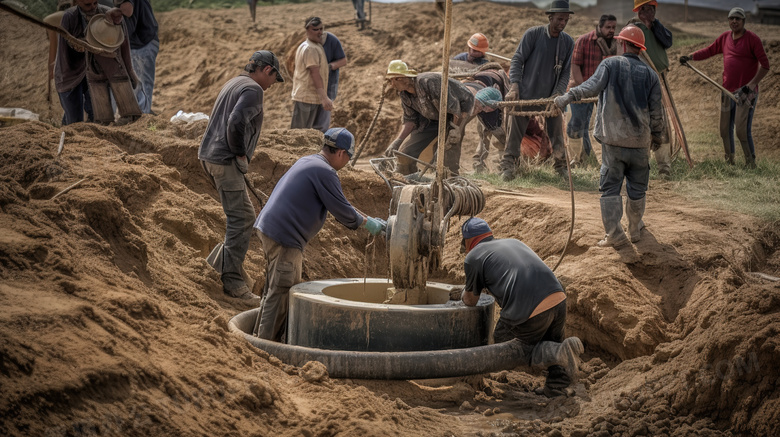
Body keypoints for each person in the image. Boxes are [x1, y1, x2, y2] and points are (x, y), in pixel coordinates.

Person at [253, 128, 385, 341]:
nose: (347, 164)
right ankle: (264, 345)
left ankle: (259, 337)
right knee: (281, 292)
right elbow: (342, 210)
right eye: (349, 158)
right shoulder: (325, 172)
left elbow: (342, 203)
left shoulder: (311, 162)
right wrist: (370, 225)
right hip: (285, 236)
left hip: (272, 229)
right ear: (341, 153)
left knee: (273, 289)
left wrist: (368, 219)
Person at [554, 26, 665, 247]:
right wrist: (657, 136)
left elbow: (591, 87)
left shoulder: (610, 64)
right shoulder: (651, 75)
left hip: (613, 141)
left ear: (622, 44)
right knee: (638, 186)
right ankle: (635, 228)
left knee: (611, 186)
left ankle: (615, 234)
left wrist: (568, 96)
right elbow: (656, 112)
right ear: (640, 49)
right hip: (641, 142)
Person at [460, 217, 584, 397]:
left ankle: (557, 352)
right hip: (558, 299)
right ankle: (557, 385)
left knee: (506, 345)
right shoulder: (512, 241)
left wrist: (462, 293)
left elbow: (471, 300)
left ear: (468, 240)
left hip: (530, 305)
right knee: (548, 341)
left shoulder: (473, 256)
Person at [198, 50, 284, 300]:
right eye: (273, 79)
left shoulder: (234, 82)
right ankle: (233, 282)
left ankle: (214, 267)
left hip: (209, 156)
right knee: (243, 218)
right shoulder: (253, 89)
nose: (271, 86)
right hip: (224, 159)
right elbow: (236, 121)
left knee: (240, 215)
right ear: (267, 70)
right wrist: (239, 154)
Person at [680, 7, 770, 168]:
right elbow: (709, 50)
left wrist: (751, 85)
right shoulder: (724, 38)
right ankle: (730, 162)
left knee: (741, 130)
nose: (734, 21)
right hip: (726, 90)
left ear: (744, 21)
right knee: (724, 130)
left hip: (745, 93)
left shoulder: (752, 39)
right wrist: (691, 56)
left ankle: (751, 163)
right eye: (731, 18)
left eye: (738, 18)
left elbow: (765, 65)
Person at [502, 0, 575, 180]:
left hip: (550, 97)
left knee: (557, 132)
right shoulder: (533, 34)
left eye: (566, 20)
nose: (562, 23)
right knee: (514, 133)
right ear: (550, 17)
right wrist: (514, 86)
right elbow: (517, 60)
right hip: (526, 94)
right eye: (559, 19)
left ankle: (560, 167)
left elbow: (566, 72)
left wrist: (558, 93)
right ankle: (508, 167)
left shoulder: (567, 42)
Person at [383, 60, 474, 176]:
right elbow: (410, 121)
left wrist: (455, 129)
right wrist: (398, 141)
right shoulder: (404, 94)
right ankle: (409, 177)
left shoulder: (428, 82)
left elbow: (454, 108)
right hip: (430, 117)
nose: (392, 85)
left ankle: (451, 178)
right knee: (405, 154)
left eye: (392, 80)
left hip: (457, 111)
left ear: (400, 78)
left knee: (448, 147)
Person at [628, 0, 673, 178]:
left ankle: (664, 168)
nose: (650, 12)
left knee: (660, 122)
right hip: (640, 81)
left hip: (659, 79)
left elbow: (668, 42)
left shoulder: (656, 27)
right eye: (645, 8)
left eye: (652, 9)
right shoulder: (633, 28)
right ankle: (640, 166)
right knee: (641, 123)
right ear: (639, 11)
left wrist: (655, 25)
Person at [565, 14, 617, 167]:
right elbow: (575, 66)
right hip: (582, 89)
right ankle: (579, 160)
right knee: (577, 125)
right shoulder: (584, 40)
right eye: (608, 27)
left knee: (609, 127)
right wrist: (584, 89)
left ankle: (606, 162)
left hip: (605, 91)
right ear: (600, 27)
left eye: (613, 27)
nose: (611, 31)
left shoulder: (616, 43)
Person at [55, 0, 109, 125]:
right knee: (75, 122)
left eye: (95, 3)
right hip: (69, 74)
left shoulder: (101, 12)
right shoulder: (69, 16)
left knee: (97, 114)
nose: (93, 7)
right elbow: (75, 44)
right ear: (77, 2)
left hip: (89, 71)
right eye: (88, 5)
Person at [84, 11, 142, 125]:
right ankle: (103, 120)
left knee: (122, 87)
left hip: (116, 66)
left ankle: (129, 116)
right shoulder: (89, 27)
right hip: (94, 67)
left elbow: (125, 49)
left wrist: (131, 72)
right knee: (99, 94)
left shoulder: (118, 25)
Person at [461, 67, 511, 173]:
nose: (477, 111)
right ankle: (479, 162)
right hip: (478, 94)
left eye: (480, 109)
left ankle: (502, 163)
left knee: (494, 132)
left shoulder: (490, 104)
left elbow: (497, 130)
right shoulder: (465, 98)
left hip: (489, 96)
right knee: (485, 132)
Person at [114, 0, 159, 115]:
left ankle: (142, 117)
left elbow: (127, 10)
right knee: (138, 83)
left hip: (142, 43)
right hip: (142, 41)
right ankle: (142, 113)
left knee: (141, 84)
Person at [290, 17, 332, 131]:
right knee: (298, 134)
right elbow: (314, 73)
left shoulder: (315, 46)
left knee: (306, 133)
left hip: (311, 97)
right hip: (306, 97)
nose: (319, 32)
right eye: (315, 29)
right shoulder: (310, 48)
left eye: (321, 29)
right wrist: (324, 98)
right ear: (307, 30)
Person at [312, 30, 347, 132]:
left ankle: (320, 133)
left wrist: (330, 66)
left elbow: (343, 60)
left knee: (324, 111)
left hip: (329, 83)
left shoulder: (332, 40)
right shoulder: (309, 43)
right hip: (314, 84)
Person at [44, 0, 72, 104]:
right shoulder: (78, 16)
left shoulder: (50, 19)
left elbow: (53, 47)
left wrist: (50, 71)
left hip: (61, 66)